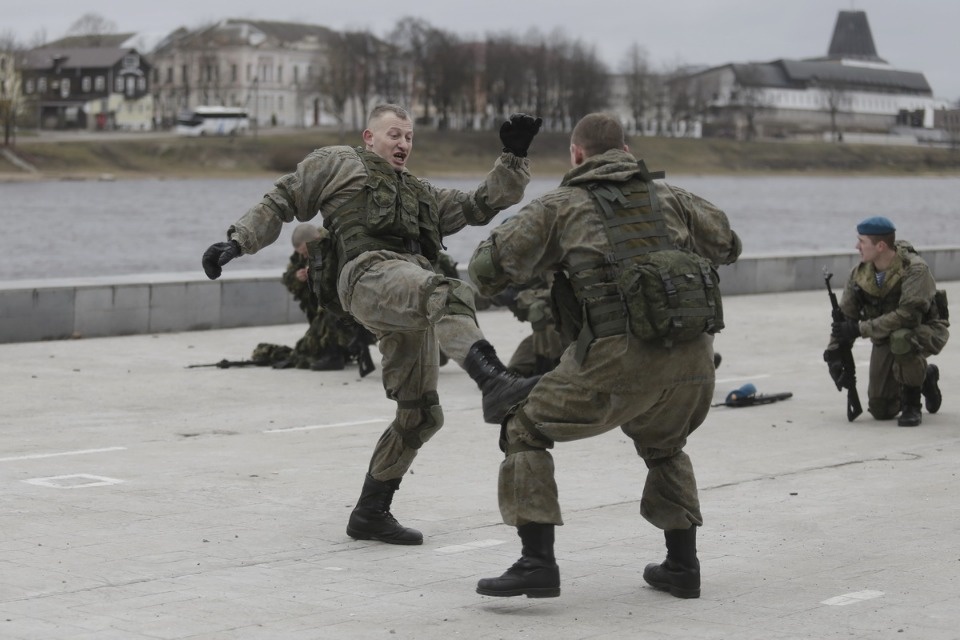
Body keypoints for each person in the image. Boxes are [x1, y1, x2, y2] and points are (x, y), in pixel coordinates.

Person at [202, 104, 544, 546]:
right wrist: (236, 241)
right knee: (450, 291)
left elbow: (479, 205)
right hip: (366, 274)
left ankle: (370, 513)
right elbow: (283, 200)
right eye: (394, 134)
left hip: (408, 290)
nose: (402, 144)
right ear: (369, 136)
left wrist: (511, 158)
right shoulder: (338, 163)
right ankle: (494, 381)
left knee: (421, 415)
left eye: (409, 137)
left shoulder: (422, 192)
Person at [467, 112, 742, 599]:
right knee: (665, 446)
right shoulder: (673, 197)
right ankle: (682, 567)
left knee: (522, 427)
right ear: (628, 152)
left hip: (616, 361)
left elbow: (485, 271)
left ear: (576, 154)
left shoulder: (563, 205)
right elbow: (729, 244)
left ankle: (537, 562)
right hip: (693, 363)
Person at [827, 216, 948, 426]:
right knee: (881, 410)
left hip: (923, 330)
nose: (857, 246)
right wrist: (834, 354)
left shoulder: (914, 269)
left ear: (881, 246)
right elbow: (846, 318)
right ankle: (925, 376)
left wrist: (861, 329)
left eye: (862, 241)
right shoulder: (859, 274)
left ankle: (912, 404)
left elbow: (908, 316)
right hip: (885, 335)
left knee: (901, 338)